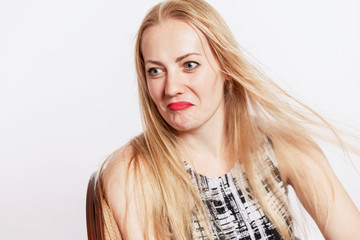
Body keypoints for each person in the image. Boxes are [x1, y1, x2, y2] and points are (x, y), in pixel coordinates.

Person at [97, 0, 360, 239]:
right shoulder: (131, 170)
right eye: (155, 71)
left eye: (189, 65)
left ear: (227, 68)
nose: (171, 87)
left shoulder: (283, 146)